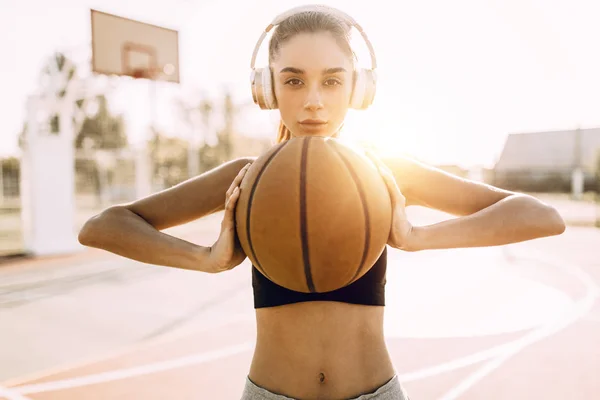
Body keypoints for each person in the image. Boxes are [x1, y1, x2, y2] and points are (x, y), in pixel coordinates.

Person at [78, 5, 566, 399]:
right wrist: (205, 259)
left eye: (332, 80)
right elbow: (103, 225)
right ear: (267, 88)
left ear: (357, 88)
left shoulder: (382, 172)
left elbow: (542, 216)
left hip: (374, 393)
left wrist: (417, 238)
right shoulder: (246, 178)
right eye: (293, 80)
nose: (314, 99)